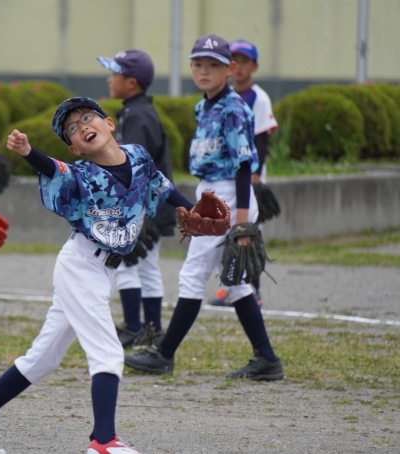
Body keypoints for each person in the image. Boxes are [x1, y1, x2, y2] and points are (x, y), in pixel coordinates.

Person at [0, 97, 197, 454]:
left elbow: (162, 187)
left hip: (103, 270)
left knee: (42, 359)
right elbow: (53, 169)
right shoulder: (82, 175)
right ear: (75, 148)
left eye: (88, 117)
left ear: (109, 123)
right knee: (108, 352)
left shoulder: (138, 156)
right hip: (80, 266)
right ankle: (103, 441)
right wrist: (28, 152)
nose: (82, 127)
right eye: (72, 129)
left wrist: (191, 209)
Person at [124, 34, 284, 382]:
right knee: (237, 283)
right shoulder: (204, 106)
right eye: (198, 64)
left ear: (230, 69)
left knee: (192, 275)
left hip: (229, 196)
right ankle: (267, 360)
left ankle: (164, 354)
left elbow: (243, 165)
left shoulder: (234, 108)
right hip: (211, 193)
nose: (204, 71)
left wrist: (242, 223)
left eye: (214, 64)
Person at [97, 49, 176, 349]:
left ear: (131, 82)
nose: (109, 79)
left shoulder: (139, 116)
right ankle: (151, 331)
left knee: (128, 265)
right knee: (146, 267)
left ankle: (135, 327)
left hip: (143, 207)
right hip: (149, 206)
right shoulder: (135, 111)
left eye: (115, 74)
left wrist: (134, 215)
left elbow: (136, 168)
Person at [209, 39, 278, 308]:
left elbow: (261, 139)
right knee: (223, 232)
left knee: (248, 232)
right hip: (226, 175)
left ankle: (254, 290)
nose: (239, 66)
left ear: (254, 66)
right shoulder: (224, 95)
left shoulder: (258, 97)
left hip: (249, 175)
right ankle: (228, 286)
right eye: (235, 60)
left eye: (245, 61)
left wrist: (256, 177)